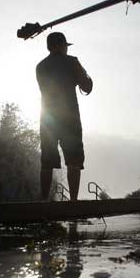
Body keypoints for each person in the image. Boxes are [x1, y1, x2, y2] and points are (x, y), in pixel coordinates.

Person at [36, 32, 93, 201]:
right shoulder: (72, 62)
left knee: (47, 161)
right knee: (74, 161)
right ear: (61, 45)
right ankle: (73, 202)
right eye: (66, 45)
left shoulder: (40, 66)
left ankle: (43, 202)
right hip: (69, 118)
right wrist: (82, 72)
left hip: (47, 118)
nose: (67, 49)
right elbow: (87, 86)